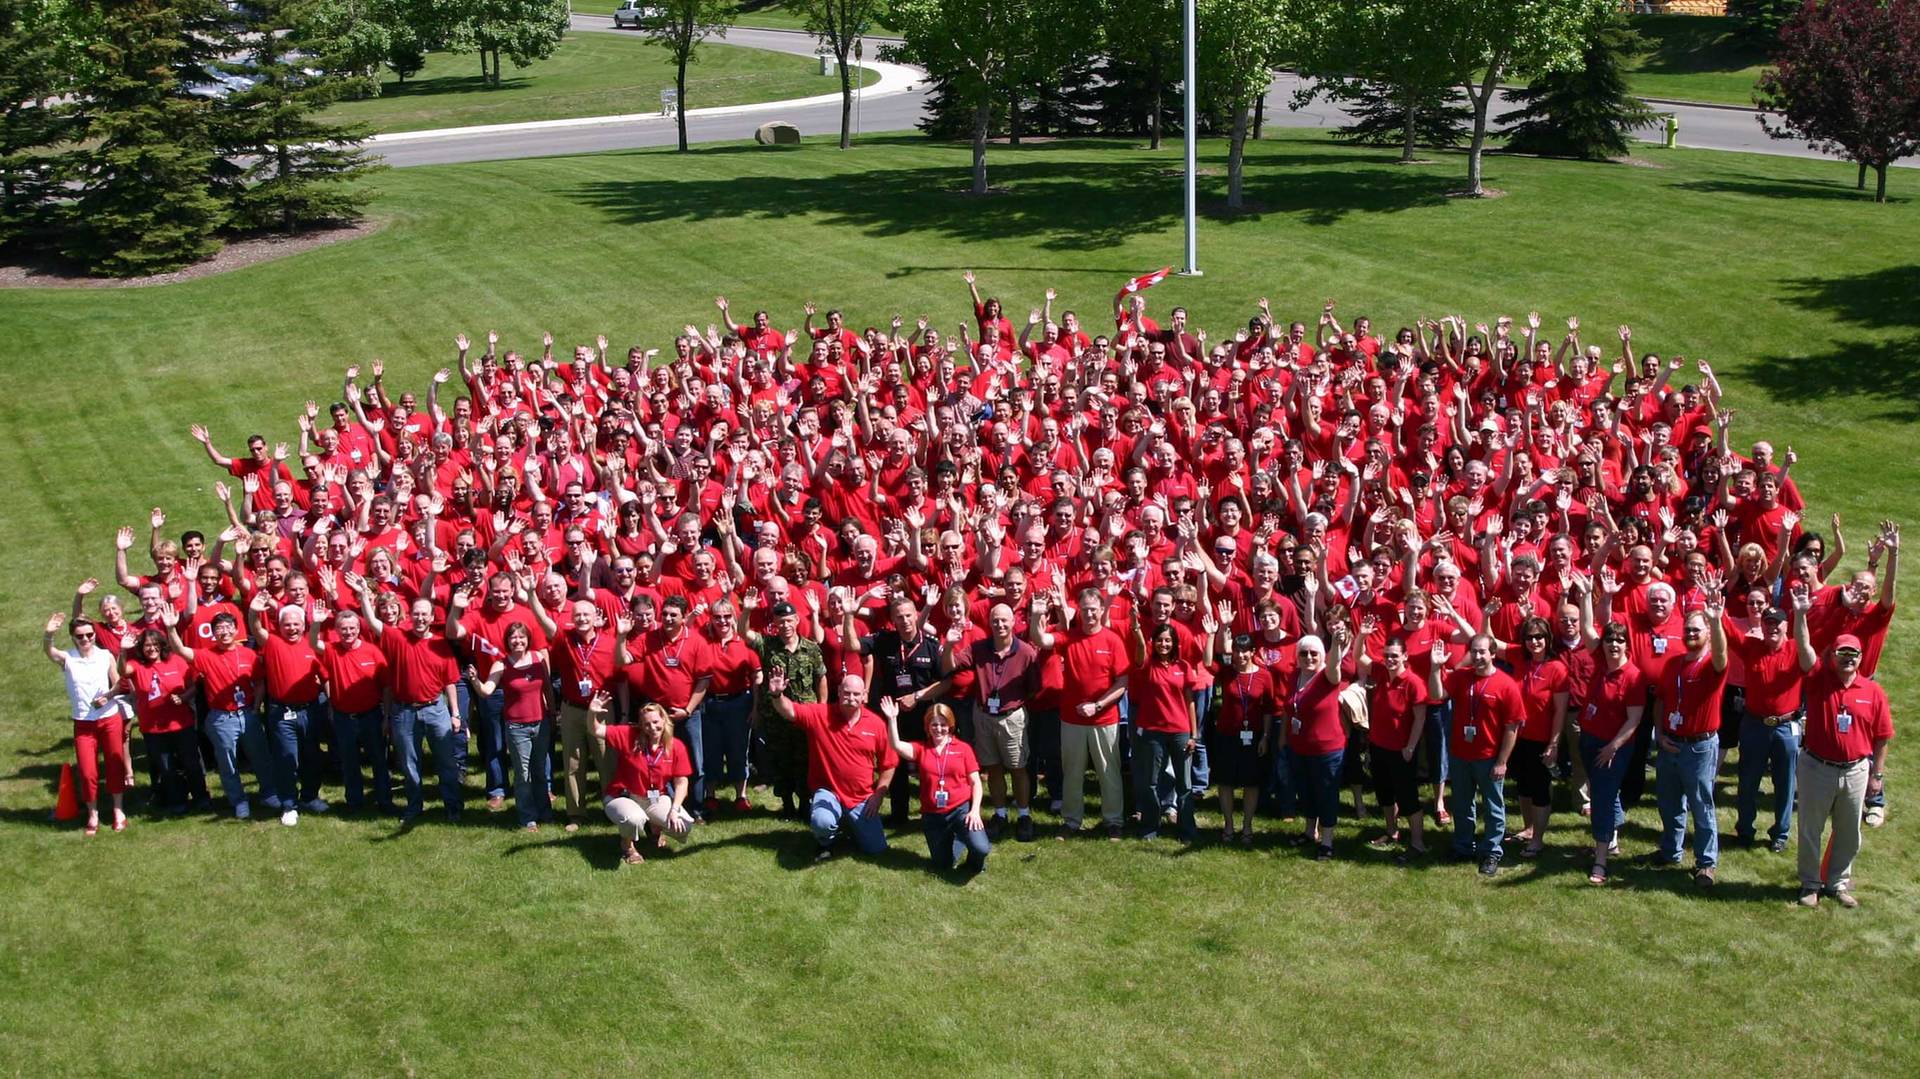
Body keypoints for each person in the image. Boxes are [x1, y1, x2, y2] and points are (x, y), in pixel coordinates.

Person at [1790, 588, 1895, 908]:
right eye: (1842, 653)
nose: (1848, 659)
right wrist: (1800, 615)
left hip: (1856, 771)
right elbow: (1804, 649)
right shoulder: (1819, 679)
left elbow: (1882, 736)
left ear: (1861, 659)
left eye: (1854, 654)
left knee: (1849, 833)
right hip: (1816, 767)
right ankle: (1810, 884)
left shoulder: (1873, 691)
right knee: (1810, 829)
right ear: (1832, 656)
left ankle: (1837, 883)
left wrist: (1877, 775)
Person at [350, 582, 466, 824]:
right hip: (404, 711)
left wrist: (455, 713)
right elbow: (372, 622)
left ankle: (453, 805)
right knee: (409, 763)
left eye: (425, 614)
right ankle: (414, 807)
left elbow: (450, 682)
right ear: (409, 616)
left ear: (432, 617)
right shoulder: (397, 637)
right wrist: (363, 596)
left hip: (436, 709)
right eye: (416, 614)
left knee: (446, 761)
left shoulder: (440, 644)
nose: (420, 618)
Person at [1646, 573, 1730, 886]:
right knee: (1668, 802)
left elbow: (1722, 654)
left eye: (1697, 629)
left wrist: (1715, 619)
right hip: (1670, 742)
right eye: (1688, 629)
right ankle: (1670, 850)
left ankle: (1706, 862)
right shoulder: (1673, 664)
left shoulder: (1712, 665)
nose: (1690, 633)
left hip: (1699, 745)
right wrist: (1660, 734)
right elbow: (1661, 702)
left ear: (1707, 634)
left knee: (1700, 804)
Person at [763, 668, 897, 861]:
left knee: (876, 849)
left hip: (861, 797)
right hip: (828, 791)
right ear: (839, 692)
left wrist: (878, 796)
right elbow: (790, 711)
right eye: (847, 692)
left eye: (856, 694)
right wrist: (777, 694)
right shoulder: (820, 714)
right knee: (822, 822)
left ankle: (850, 825)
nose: (851, 697)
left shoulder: (876, 724)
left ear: (864, 696)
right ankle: (825, 842)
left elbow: (889, 763)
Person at [1032, 589, 1129, 841]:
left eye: (1093, 609)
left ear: (1100, 610)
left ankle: (1113, 821)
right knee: (1072, 773)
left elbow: (1122, 682)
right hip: (1071, 719)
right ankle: (1071, 820)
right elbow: (1041, 640)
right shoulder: (1069, 637)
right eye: (1084, 609)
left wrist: (1097, 705)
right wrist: (1035, 616)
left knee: (1109, 772)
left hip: (1104, 719)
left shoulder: (1112, 640)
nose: (1088, 614)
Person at [942, 602, 1042, 841]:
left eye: (1004, 620)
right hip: (984, 715)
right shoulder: (978, 648)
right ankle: (1000, 814)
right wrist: (949, 646)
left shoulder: (1026, 652)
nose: (999, 625)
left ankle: (1024, 815)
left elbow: (1034, 688)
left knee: (1018, 768)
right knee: (993, 767)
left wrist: (1013, 704)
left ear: (1013, 622)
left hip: (1012, 717)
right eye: (995, 620)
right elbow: (949, 667)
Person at [1429, 635, 1525, 876]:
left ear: (1493, 654)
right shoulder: (1461, 677)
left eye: (1483, 652)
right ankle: (1463, 846)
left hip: (1489, 757)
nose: (1478, 656)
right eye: (1474, 652)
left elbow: (1513, 726)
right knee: (1462, 804)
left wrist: (1502, 761)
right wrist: (1434, 668)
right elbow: (1437, 694)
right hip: (1460, 754)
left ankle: (1492, 851)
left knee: (1493, 807)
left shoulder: (1506, 685)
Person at [165, 607, 270, 821]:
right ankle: (238, 801)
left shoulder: (249, 654)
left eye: (228, 627)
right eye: (219, 628)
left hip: (247, 714)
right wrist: (170, 628)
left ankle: (269, 793)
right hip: (222, 718)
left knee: (261, 757)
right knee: (227, 763)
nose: (224, 632)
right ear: (213, 633)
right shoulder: (206, 655)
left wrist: (257, 706)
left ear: (236, 630)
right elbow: (181, 651)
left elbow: (259, 682)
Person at [246, 594, 329, 826]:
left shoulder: (311, 645)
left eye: (296, 624)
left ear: (303, 625)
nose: (292, 628)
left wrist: (332, 704)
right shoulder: (272, 643)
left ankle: (310, 797)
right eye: (287, 624)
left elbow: (324, 678)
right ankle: (289, 804)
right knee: (287, 758)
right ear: (279, 626)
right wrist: (253, 611)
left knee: (311, 755)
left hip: (310, 710)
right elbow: (255, 626)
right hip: (281, 712)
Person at [882, 700, 990, 874]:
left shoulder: (963, 749)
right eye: (934, 724)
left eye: (943, 724)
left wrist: (975, 810)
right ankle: (958, 840)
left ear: (950, 725)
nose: (938, 729)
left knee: (981, 848)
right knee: (941, 865)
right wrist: (892, 719)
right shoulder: (922, 748)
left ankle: (973, 862)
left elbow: (976, 782)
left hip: (960, 810)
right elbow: (897, 745)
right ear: (927, 726)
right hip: (933, 815)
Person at [43, 614, 128, 835]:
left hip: (109, 718)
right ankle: (93, 814)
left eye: (90, 634)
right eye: (80, 636)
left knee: (114, 764)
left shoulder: (105, 655)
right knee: (88, 772)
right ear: (73, 637)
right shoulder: (68, 658)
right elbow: (49, 652)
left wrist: (108, 696)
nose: (86, 639)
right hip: (83, 723)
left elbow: (118, 682)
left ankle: (118, 811)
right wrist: (49, 634)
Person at [1728, 604, 1803, 853]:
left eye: (1777, 622)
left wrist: (1802, 613)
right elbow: (1730, 634)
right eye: (1768, 622)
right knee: (1748, 780)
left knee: (1785, 782)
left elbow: (1818, 642)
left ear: (1786, 627)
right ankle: (1745, 830)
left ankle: (1780, 833)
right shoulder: (1752, 648)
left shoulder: (1796, 649)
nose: (1772, 627)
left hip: (1786, 726)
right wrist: (1717, 614)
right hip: (1754, 724)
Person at [1575, 624, 1646, 886]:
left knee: (1602, 801)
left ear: (1627, 645)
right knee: (1603, 790)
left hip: (1612, 748)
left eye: (1619, 641)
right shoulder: (1601, 663)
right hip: (1589, 740)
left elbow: (1634, 719)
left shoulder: (1633, 676)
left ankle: (1601, 859)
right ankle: (1613, 837)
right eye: (1609, 640)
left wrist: (1613, 747)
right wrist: (1584, 597)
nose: (1613, 645)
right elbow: (1586, 628)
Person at [466, 621, 553, 830]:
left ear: (527, 639)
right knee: (523, 774)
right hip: (517, 728)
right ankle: (527, 816)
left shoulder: (538, 658)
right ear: (507, 641)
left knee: (540, 770)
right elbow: (486, 691)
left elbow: (547, 688)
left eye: (521, 637)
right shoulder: (501, 664)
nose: (518, 641)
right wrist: (475, 680)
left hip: (541, 722)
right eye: (513, 637)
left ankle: (545, 811)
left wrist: (551, 713)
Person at [593, 696, 694, 866]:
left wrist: (674, 810)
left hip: (654, 797)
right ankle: (627, 845)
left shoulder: (675, 746)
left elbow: (681, 782)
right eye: (646, 724)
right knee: (634, 819)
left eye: (656, 721)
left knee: (684, 825)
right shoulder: (629, 735)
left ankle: (655, 827)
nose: (652, 727)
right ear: (640, 725)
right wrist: (591, 713)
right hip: (623, 795)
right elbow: (595, 730)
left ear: (664, 719)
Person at [1354, 627, 1427, 863]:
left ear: (1405, 656)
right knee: (1384, 794)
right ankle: (1391, 831)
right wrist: (1362, 636)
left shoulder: (1413, 683)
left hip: (1402, 750)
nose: (1390, 660)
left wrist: (1410, 747)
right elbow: (1359, 657)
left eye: (1395, 655)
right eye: (1387, 655)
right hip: (1378, 746)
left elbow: (1420, 718)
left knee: (1408, 798)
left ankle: (1417, 843)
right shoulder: (1381, 673)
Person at [118, 627, 208, 815]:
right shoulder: (137, 665)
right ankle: (176, 801)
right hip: (153, 728)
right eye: (146, 646)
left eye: (154, 644)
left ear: (162, 645)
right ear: (141, 649)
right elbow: (123, 670)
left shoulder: (177, 661)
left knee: (191, 763)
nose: (151, 649)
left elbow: (193, 687)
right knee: (166, 768)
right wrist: (123, 650)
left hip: (181, 724)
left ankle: (201, 797)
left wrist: (183, 697)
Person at [750, 601, 825, 819]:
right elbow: (744, 632)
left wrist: (820, 708)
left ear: (797, 621)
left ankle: (805, 802)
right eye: (781, 622)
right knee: (780, 759)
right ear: (774, 623)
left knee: (805, 759)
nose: (785, 625)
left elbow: (821, 678)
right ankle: (787, 804)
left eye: (789, 621)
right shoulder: (767, 645)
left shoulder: (810, 648)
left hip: (805, 714)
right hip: (776, 715)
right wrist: (746, 610)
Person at [1127, 620, 1200, 843]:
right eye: (1159, 640)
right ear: (1153, 642)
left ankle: (1186, 829)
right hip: (1153, 731)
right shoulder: (1148, 664)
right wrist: (1138, 629)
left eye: (1168, 640)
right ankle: (1150, 825)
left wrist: (1193, 734)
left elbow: (1190, 702)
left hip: (1180, 731)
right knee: (1151, 782)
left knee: (1184, 784)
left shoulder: (1184, 667)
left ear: (1174, 643)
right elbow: (1140, 650)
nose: (1164, 644)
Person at [315, 608, 392, 814]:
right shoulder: (332, 650)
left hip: (372, 715)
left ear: (359, 629)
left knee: (378, 761)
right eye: (343, 629)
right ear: (337, 631)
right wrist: (316, 623)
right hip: (344, 717)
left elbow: (386, 686)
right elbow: (313, 644)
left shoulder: (373, 652)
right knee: (349, 762)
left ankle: (385, 801)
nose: (348, 632)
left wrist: (386, 717)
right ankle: (354, 802)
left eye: (352, 628)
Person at [1506, 616, 1569, 859]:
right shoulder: (1519, 659)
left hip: (1541, 739)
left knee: (1540, 788)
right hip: (1517, 737)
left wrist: (1554, 743)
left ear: (1548, 638)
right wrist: (1488, 615)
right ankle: (1528, 828)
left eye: (1539, 636)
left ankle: (1538, 840)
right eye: (1530, 637)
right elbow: (1489, 642)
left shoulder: (1557, 668)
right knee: (1523, 787)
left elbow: (1560, 711)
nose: (1534, 642)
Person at [1286, 625, 1351, 860]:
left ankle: (1327, 841)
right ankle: (1309, 831)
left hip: (1327, 749)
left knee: (1326, 794)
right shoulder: (1295, 676)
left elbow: (1334, 665)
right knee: (1307, 792)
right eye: (1304, 653)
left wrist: (1335, 642)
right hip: (1299, 747)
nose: (1309, 658)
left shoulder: (1327, 676)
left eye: (1314, 653)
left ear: (1322, 656)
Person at [697, 598, 760, 814]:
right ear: (711, 619)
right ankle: (711, 795)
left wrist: (755, 708)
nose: (722, 621)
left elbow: (756, 677)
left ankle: (741, 795)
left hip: (739, 703)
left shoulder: (744, 642)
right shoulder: (704, 641)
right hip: (711, 703)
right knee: (711, 751)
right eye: (717, 617)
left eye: (727, 616)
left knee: (737, 749)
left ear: (734, 618)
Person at [1212, 632, 1275, 846]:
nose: (1240, 656)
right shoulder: (1227, 673)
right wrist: (1216, 632)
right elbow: (1206, 662)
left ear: (1252, 652)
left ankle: (1247, 826)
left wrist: (1265, 737)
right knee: (1226, 782)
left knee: (1251, 783)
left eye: (1244, 651)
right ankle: (1228, 824)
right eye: (1236, 651)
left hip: (1254, 736)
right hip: (1227, 736)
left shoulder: (1265, 676)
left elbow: (1268, 708)